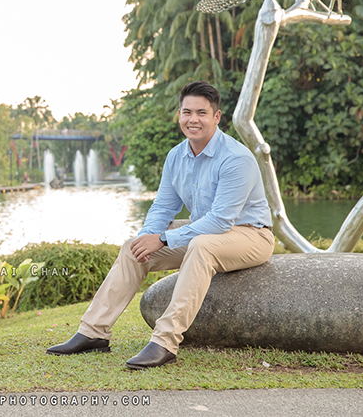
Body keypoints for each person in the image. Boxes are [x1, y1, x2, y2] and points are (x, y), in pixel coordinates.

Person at [46, 81, 274, 368]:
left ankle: (165, 342)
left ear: (216, 118)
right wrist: (148, 239)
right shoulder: (176, 156)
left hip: (251, 236)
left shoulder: (236, 158)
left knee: (202, 246)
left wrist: (164, 239)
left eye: (202, 113)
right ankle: (92, 333)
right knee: (133, 247)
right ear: (179, 115)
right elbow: (163, 206)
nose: (193, 120)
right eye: (187, 112)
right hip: (204, 229)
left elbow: (220, 220)